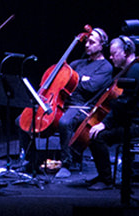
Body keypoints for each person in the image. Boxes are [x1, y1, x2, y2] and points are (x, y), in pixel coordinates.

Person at [17, 27, 114, 174]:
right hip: (60, 104)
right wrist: (81, 79)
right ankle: (31, 161)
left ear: (102, 45)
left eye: (92, 42)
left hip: (81, 107)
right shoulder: (76, 64)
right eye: (86, 42)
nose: (87, 45)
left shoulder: (105, 66)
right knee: (21, 120)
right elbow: (60, 80)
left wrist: (77, 81)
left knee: (64, 122)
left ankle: (67, 163)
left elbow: (91, 87)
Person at [73, 36, 139, 191]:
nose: (111, 57)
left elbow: (124, 103)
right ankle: (104, 176)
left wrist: (104, 124)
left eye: (114, 54)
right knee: (96, 132)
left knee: (98, 136)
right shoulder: (132, 70)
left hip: (137, 126)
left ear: (126, 52)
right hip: (130, 121)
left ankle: (106, 180)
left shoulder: (135, 71)